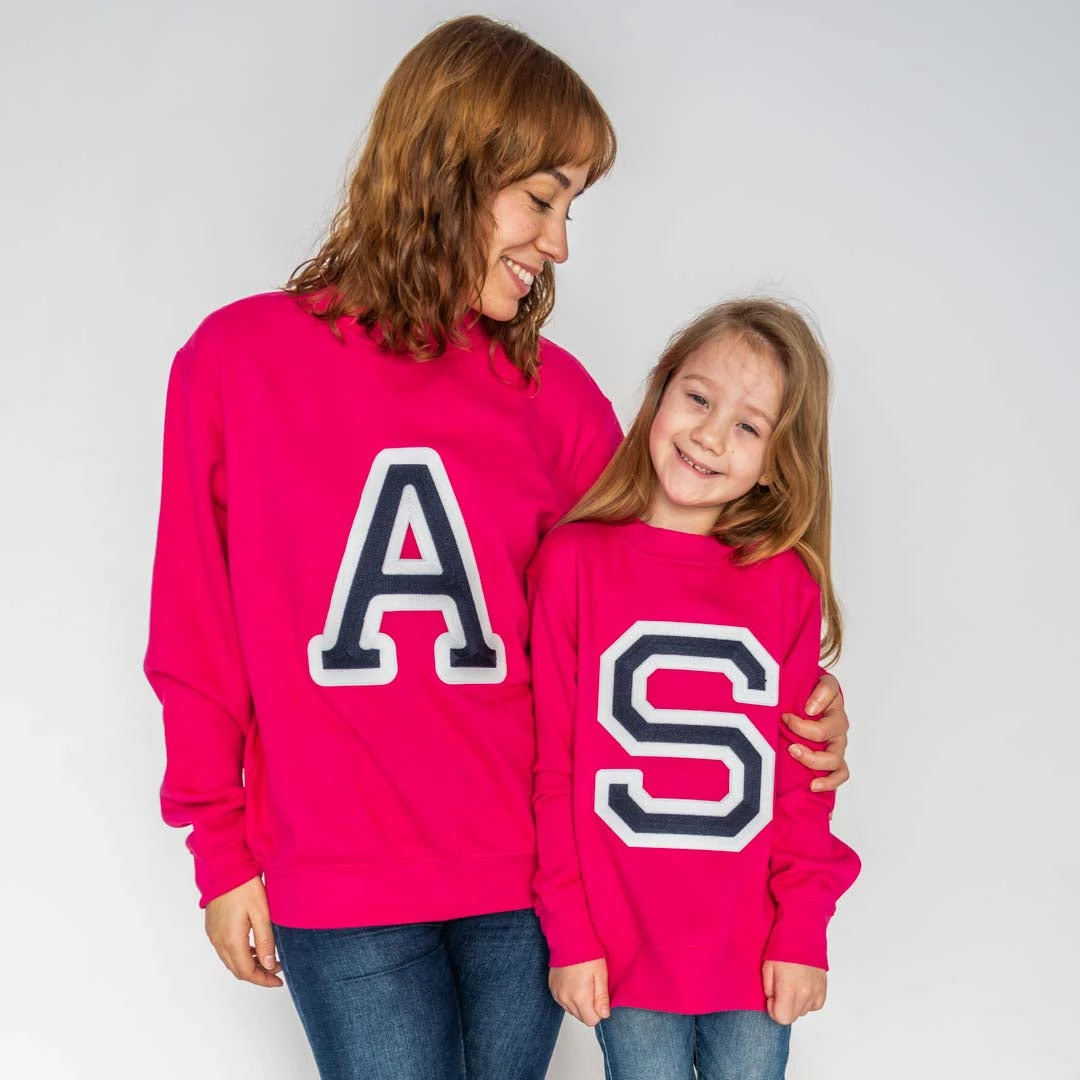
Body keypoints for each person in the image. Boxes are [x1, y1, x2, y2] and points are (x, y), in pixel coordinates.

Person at [144, 16, 851, 1080]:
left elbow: (664, 604)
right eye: (542, 199)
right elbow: (196, 629)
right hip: (341, 881)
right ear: (451, 170)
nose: (559, 245)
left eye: (570, 209)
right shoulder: (237, 364)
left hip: (526, 882)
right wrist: (219, 849)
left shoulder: (555, 400)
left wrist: (796, 709)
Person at [529, 298, 860, 1080]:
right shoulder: (573, 562)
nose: (709, 435)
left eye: (747, 426)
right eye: (698, 397)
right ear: (661, 389)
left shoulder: (783, 582)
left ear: (777, 460)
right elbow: (554, 768)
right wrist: (571, 932)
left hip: (752, 945)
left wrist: (801, 930)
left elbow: (801, 780)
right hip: (624, 946)